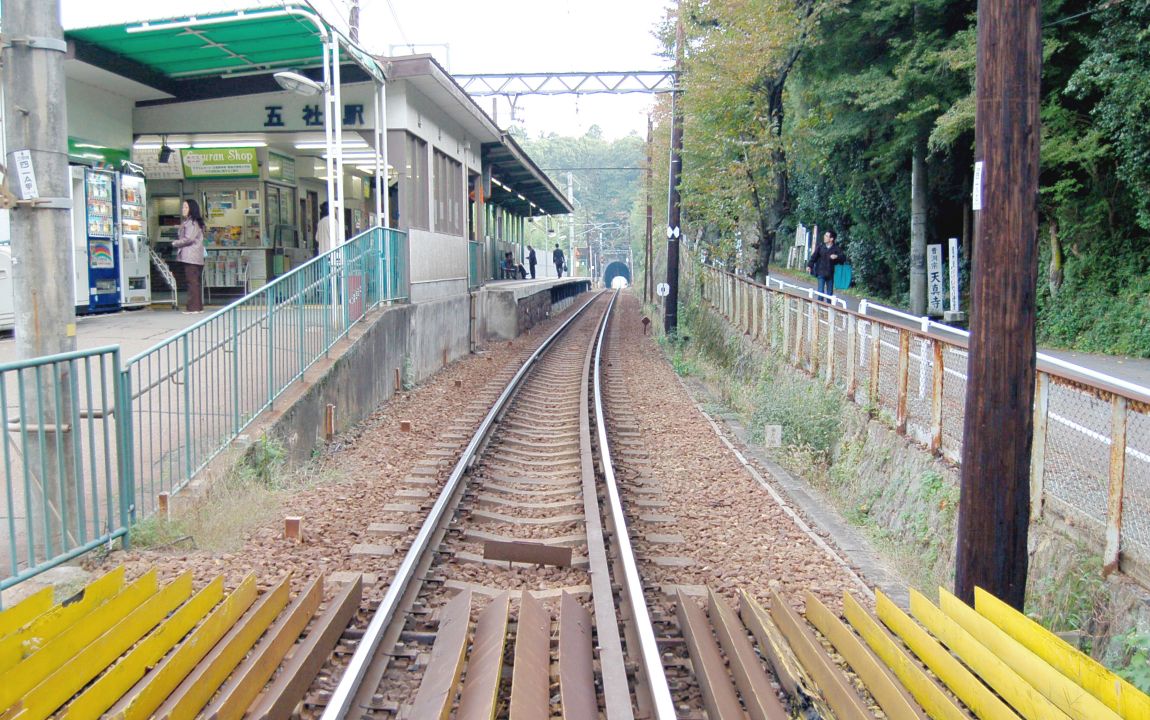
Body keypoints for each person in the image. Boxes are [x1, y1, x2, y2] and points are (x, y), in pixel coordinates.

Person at [173, 198, 206, 313]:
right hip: (195, 257)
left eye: (186, 207)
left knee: (192, 282)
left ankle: (193, 307)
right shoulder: (192, 222)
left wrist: (175, 243)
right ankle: (197, 306)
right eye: (183, 207)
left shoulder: (191, 223)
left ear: (192, 209)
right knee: (194, 282)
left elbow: (189, 239)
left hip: (191, 257)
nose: (183, 209)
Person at [807, 229, 847, 300]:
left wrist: (836, 256)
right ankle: (819, 309)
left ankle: (829, 309)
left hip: (830, 273)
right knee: (820, 293)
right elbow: (814, 257)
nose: (824, 237)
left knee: (829, 295)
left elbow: (843, 257)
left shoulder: (836, 248)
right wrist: (809, 266)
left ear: (831, 239)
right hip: (821, 272)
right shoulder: (821, 247)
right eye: (825, 235)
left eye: (826, 236)